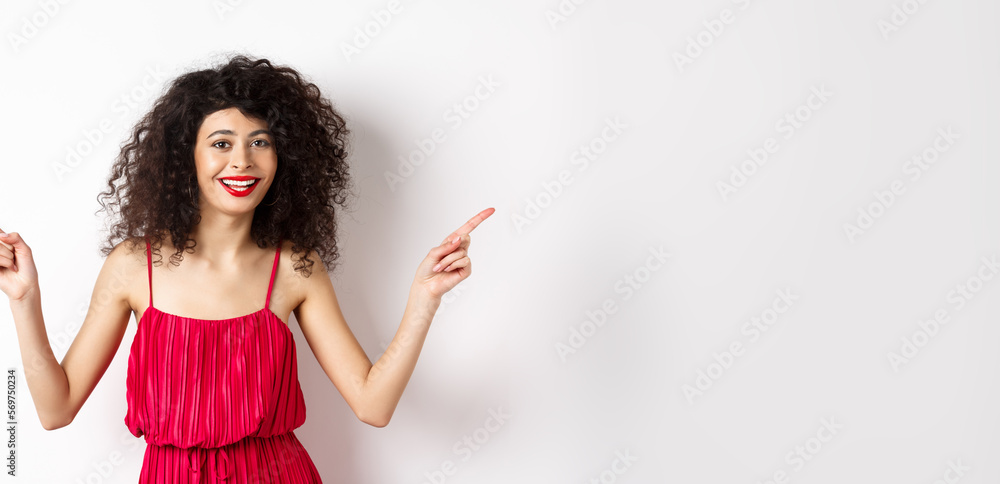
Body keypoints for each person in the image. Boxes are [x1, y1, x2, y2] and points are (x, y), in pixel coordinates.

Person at [0, 54, 494, 482]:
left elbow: (373, 405)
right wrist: (24, 301)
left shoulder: (297, 268)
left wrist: (424, 300)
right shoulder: (134, 265)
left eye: (260, 142)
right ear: (184, 157)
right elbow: (54, 410)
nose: (243, 162)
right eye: (220, 143)